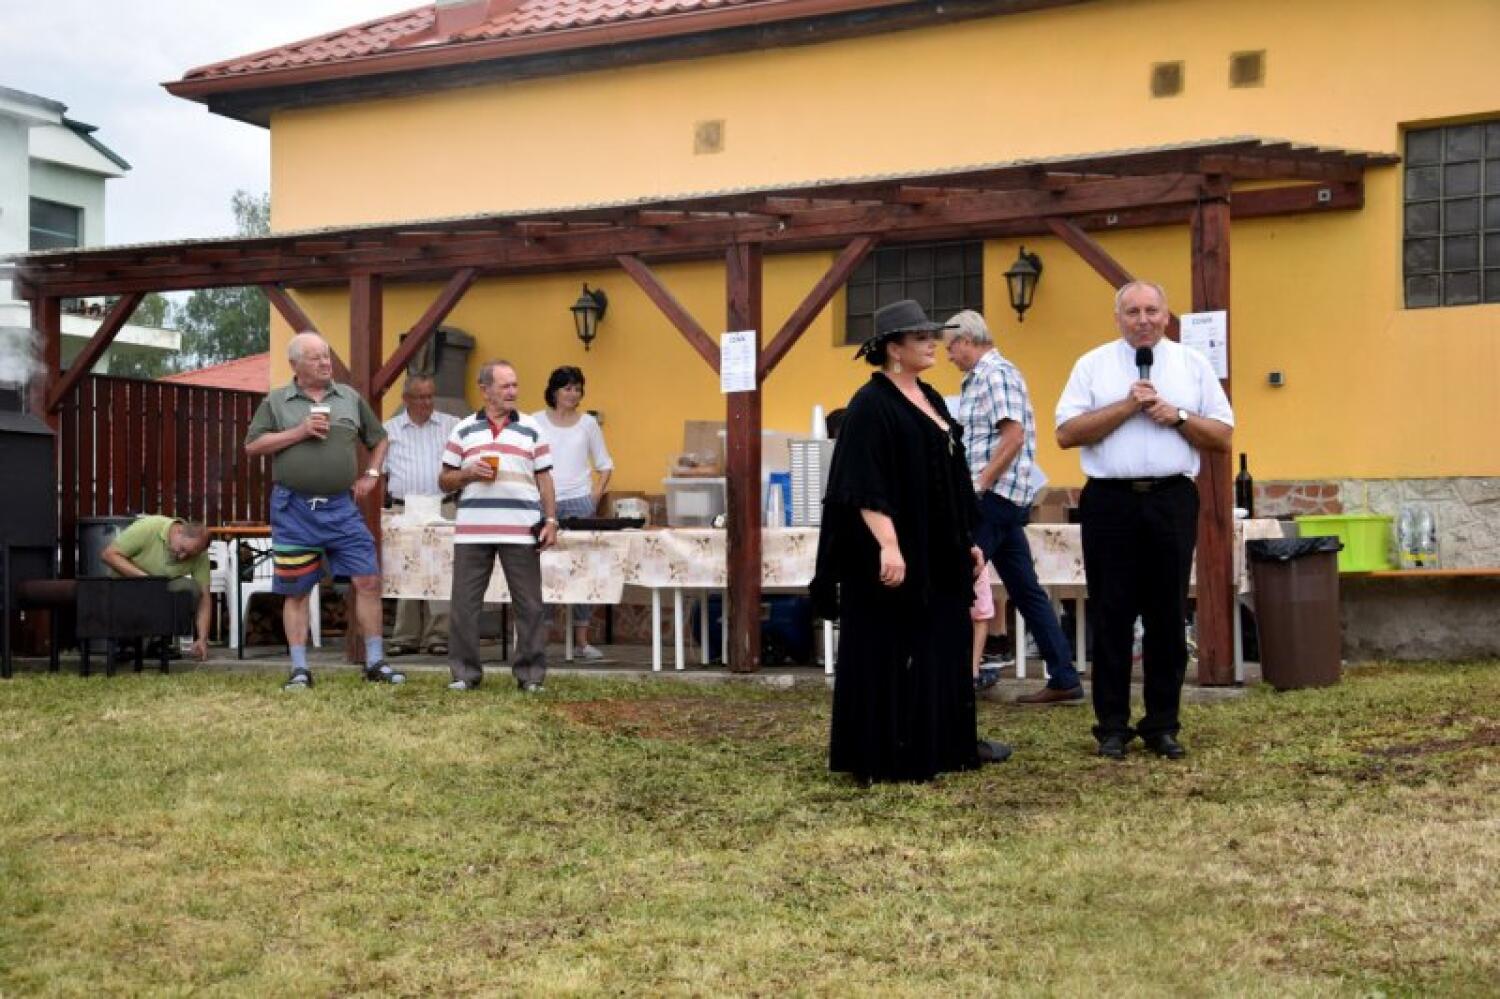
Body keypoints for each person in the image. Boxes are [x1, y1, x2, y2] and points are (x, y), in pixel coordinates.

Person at [811, 299, 1010, 785]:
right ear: (893, 349)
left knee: (940, 640)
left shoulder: (931, 397)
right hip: (895, 550)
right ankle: (888, 750)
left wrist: (965, 540)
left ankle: (941, 741)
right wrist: (888, 544)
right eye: (921, 337)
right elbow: (861, 482)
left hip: (936, 550)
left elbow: (948, 476)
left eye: (932, 335)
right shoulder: (870, 405)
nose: (933, 344)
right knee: (890, 645)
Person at [1055, 281, 1233, 760]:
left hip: (1171, 499)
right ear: (1118, 318)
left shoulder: (1192, 364)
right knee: (1111, 614)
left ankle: (1162, 725)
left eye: (1151, 310)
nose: (1143, 320)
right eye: (1132, 311)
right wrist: (1127, 406)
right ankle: (1112, 726)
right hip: (1109, 501)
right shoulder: (1092, 364)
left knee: (1166, 616)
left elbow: (1221, 435)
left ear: (1166, 315)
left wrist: (1177, 416)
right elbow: (1066, 433)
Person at [244, 332, 401, 690]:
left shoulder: (349, 398)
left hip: (341, 507)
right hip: (294, 509)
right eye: (315, 358)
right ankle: (300, 669)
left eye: (327, 356)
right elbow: (252, 446)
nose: (325, 363)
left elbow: (379, 438)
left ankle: (375, 662)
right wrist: (299, 431)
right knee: (297, 590)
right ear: (295, 364)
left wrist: (371, 474)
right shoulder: (277, 401)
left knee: (368, 580)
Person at [944, 309, 1084, 705]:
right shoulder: (983, 377)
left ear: (966, 341)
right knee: (1025, 590)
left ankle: (952, 676)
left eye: (950, 347)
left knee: (954, 578)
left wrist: (979, 485)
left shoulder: (995, 375)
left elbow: (1014, 435)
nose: (948, 356)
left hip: (994, 498)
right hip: (1002, 498)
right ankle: (1064, 676)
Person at [438, 359, 558, 692]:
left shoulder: (532, 428)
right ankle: (464, 675)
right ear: (485, 390)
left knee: (529, 605)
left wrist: (551, 520)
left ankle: (530, 676)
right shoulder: (463, 429)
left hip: (521, 528)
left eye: (515, 385)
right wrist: (468, 474)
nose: (513, 391)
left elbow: (545, 478)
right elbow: (444, 480)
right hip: (472, 530)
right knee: (464, 605)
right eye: (505, 386)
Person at [532, 365, 614, 661]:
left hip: (580, 503)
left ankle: (582, 640)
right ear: (554, 391)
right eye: (567, 388)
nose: (573, 393)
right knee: (543, 569)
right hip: (543, 502)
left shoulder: (588, 424)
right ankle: (540, 639)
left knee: (583, 568)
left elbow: (605, 465)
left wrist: (593, 497)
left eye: (578, 388)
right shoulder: (534, 422)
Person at [382, 374, 459, 656]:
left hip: (442, 505)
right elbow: (380, 472)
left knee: (442, 569)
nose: (427, 402)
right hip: (404, 506)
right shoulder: (389, 430)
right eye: (420, 397)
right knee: (405, 569)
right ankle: (405, 636)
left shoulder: (452, 425)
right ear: (406, 399)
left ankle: (440, 635)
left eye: (430, 396)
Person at [100, 515, 213, 662]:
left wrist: (203, 638)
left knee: (189, 588)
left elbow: (204, 597)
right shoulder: (149, 527)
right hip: (126, 585)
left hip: (159, 590)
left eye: (189, 555)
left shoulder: (199, 555)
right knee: (156, 590)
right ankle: (126, 642)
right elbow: (108, 554)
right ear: (178, 531)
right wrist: (147, 580)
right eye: (182, 549)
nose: (182, 557)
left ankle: (158, 642)